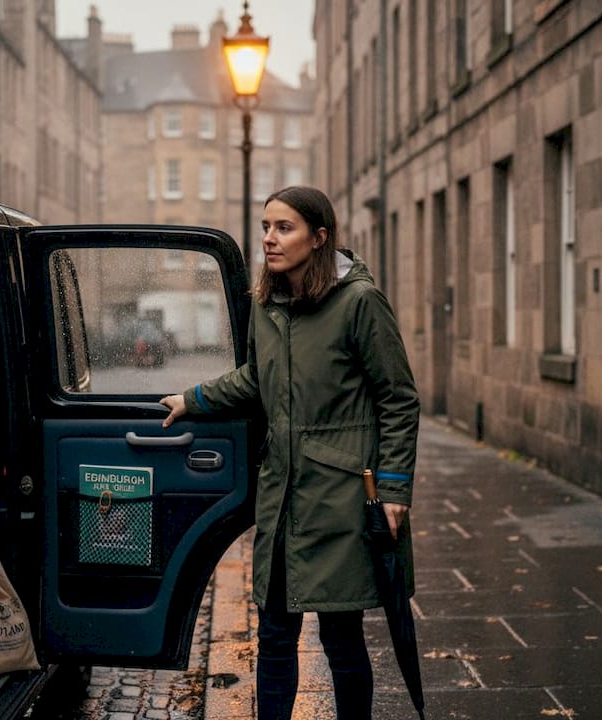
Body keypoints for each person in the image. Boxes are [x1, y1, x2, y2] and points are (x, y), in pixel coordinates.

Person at [160, 186, 420, 720]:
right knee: (275, 634)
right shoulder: (266, 304)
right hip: (282, 497)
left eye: (284, 228)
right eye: (265, 227)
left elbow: (399, 397)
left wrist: (393, 488)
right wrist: (193, 399)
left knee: (341, 635)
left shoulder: (359, 302)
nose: (269, 240)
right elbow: (258, 379)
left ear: (319, 237)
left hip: (342, 496)